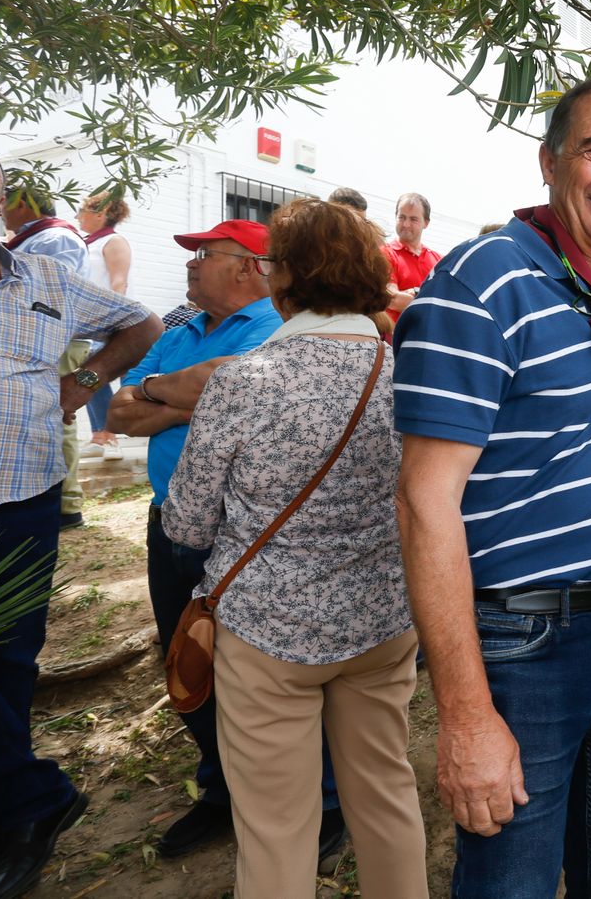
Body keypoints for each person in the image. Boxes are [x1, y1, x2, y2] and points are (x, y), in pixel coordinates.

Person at [394, 77, 591, 898]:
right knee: (508, 882)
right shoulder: (486, 280)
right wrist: (466, 714)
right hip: (529, 646)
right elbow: (424, 502)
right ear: (550, 162)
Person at [163, 200, 425, 899]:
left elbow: (185, 525)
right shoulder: (408, 374)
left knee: (276, 829)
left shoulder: (242, 382)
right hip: (382, 622)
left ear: (282, 278)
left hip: (265, 635)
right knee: (388, 796)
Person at [0, 134, 159, 899]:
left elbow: (140, 324)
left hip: (19, 499)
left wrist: (87, 380)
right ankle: (34, 803)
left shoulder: (46, 275)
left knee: (6, 661)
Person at [108, 219, 347, 860]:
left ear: (250, 268)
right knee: (186, 662)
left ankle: (323, 802)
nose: (189, 265)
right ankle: (221, 790)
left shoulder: (279, 325)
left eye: (204, 255)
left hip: (249, 533)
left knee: (274, 674)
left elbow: (244, 397)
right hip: (172, 524)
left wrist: (173, 395)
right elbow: (118, 412)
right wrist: (190, 394)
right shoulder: (181, 328)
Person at [3, 189, 95, 529]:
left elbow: (48, 293)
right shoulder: (30, 238)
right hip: (31, 341)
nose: (0, 210)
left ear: (24, 203)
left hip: (55, 341)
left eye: (1, 201)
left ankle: (65, 504)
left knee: (57, 415)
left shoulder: (56, 238)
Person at [76, 193, 133, 462]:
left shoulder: (114, 241)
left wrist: (114, 325)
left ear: (100, 214)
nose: (77, 217)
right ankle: (101, 436)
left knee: (93, 375)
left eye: (82, 211)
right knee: (87, 377)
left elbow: (119, 283)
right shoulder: (85, 243)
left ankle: (107, 437)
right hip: (84, 323)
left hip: (105, 322)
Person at [382, 192, 440, 325]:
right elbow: (392, 299)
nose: (406, 224)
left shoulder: (438, 261)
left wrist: (414, 292)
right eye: (402, 217)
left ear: (426, 223)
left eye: (413, 219)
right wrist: (431, 301)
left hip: (428, 340)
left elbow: (446, 300)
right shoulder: (385, 253)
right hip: (397, 340)